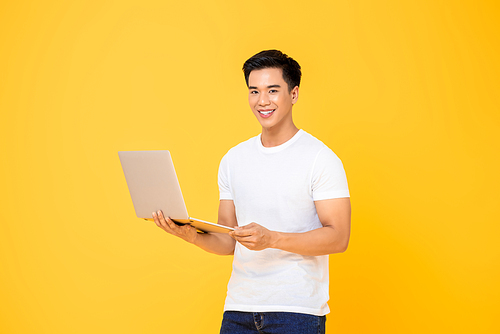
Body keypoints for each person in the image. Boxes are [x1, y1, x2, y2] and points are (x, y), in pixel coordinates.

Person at [152, 50, 351, 334]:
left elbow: (338, 237)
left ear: (293, 94)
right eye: (254, 91)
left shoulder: (320, 158)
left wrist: (272, 238)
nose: (263, 101)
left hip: (295, 311)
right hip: (239, 309)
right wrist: (191, 235)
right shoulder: (233, 159)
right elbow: (228, 241)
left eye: (273, 90)